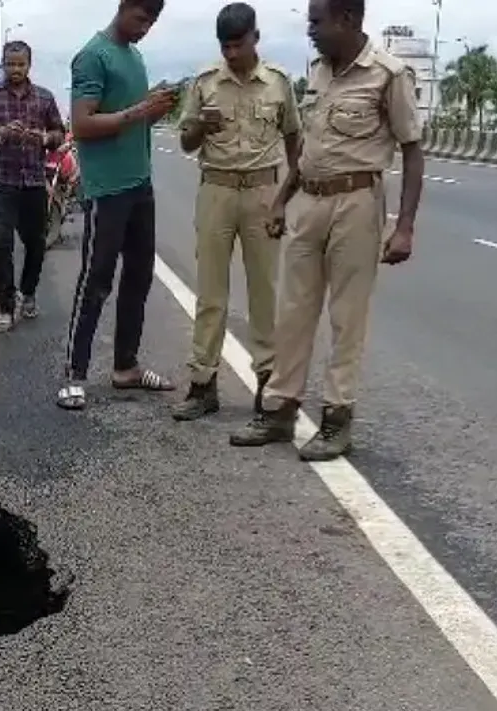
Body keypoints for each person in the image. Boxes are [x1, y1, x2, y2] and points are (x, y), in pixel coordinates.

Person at [254, 0, 424, 461]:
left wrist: (404, 226)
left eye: (316, 22)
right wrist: (281, 199)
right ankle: (279, 411)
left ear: (347, 20)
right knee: (292, 311)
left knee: (347, 317)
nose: (309, 30)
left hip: (357, 203)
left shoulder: (389, 74)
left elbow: (412, 150)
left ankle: (336, 420)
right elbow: (309, 146)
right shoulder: (317, 71)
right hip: (308, 200)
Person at [170, 2, 302, 448]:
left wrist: (285, 198)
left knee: (265, 292)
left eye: (238, 44)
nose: (232, 53)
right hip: (217, 190)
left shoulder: (279, 84)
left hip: (264, 192)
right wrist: (200, 129)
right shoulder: (206, 84)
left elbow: (294, 141)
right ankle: (202, 385)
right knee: (211, 293)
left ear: (255, 38)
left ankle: (269, 385)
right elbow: (186, 143)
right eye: (225, 46)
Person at [57, 0, 177, 411]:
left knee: (139, 278)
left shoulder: (135, 55)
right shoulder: (93, 56)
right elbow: (83, 125)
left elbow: (131, 120)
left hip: (139, 186)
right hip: (106, 191)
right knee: (96, 281)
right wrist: (140, 110)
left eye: (153, 22)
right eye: (141, 18)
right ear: (123, 7)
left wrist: (154, 112)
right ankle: (74, 374)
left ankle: (126, 367)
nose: (145, 28)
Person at [0, 40, 66, 332]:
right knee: (2, 246)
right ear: (3, 64)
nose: (15, 69)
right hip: (1, 182)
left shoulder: (45, 98)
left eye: (20, 64)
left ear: (29, 65)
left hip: (34, 182)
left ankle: (29, 293)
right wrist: (0, 133)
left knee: (36, 244)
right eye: (10, 64)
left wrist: (45, 139)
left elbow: (59, 133)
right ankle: (5, 307)